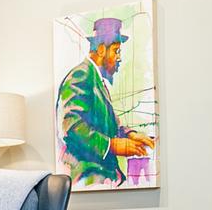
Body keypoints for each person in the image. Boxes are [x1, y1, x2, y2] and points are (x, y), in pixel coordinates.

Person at [56, 16, 155, 186]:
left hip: (103, 177)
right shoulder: (81, 76)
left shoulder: (96, 80)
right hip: (87, 177)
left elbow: (107, 126)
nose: (119, 58)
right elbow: (71, 127)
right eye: (117, 51)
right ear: (101, 50)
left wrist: (130, 134)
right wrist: (112, 145)